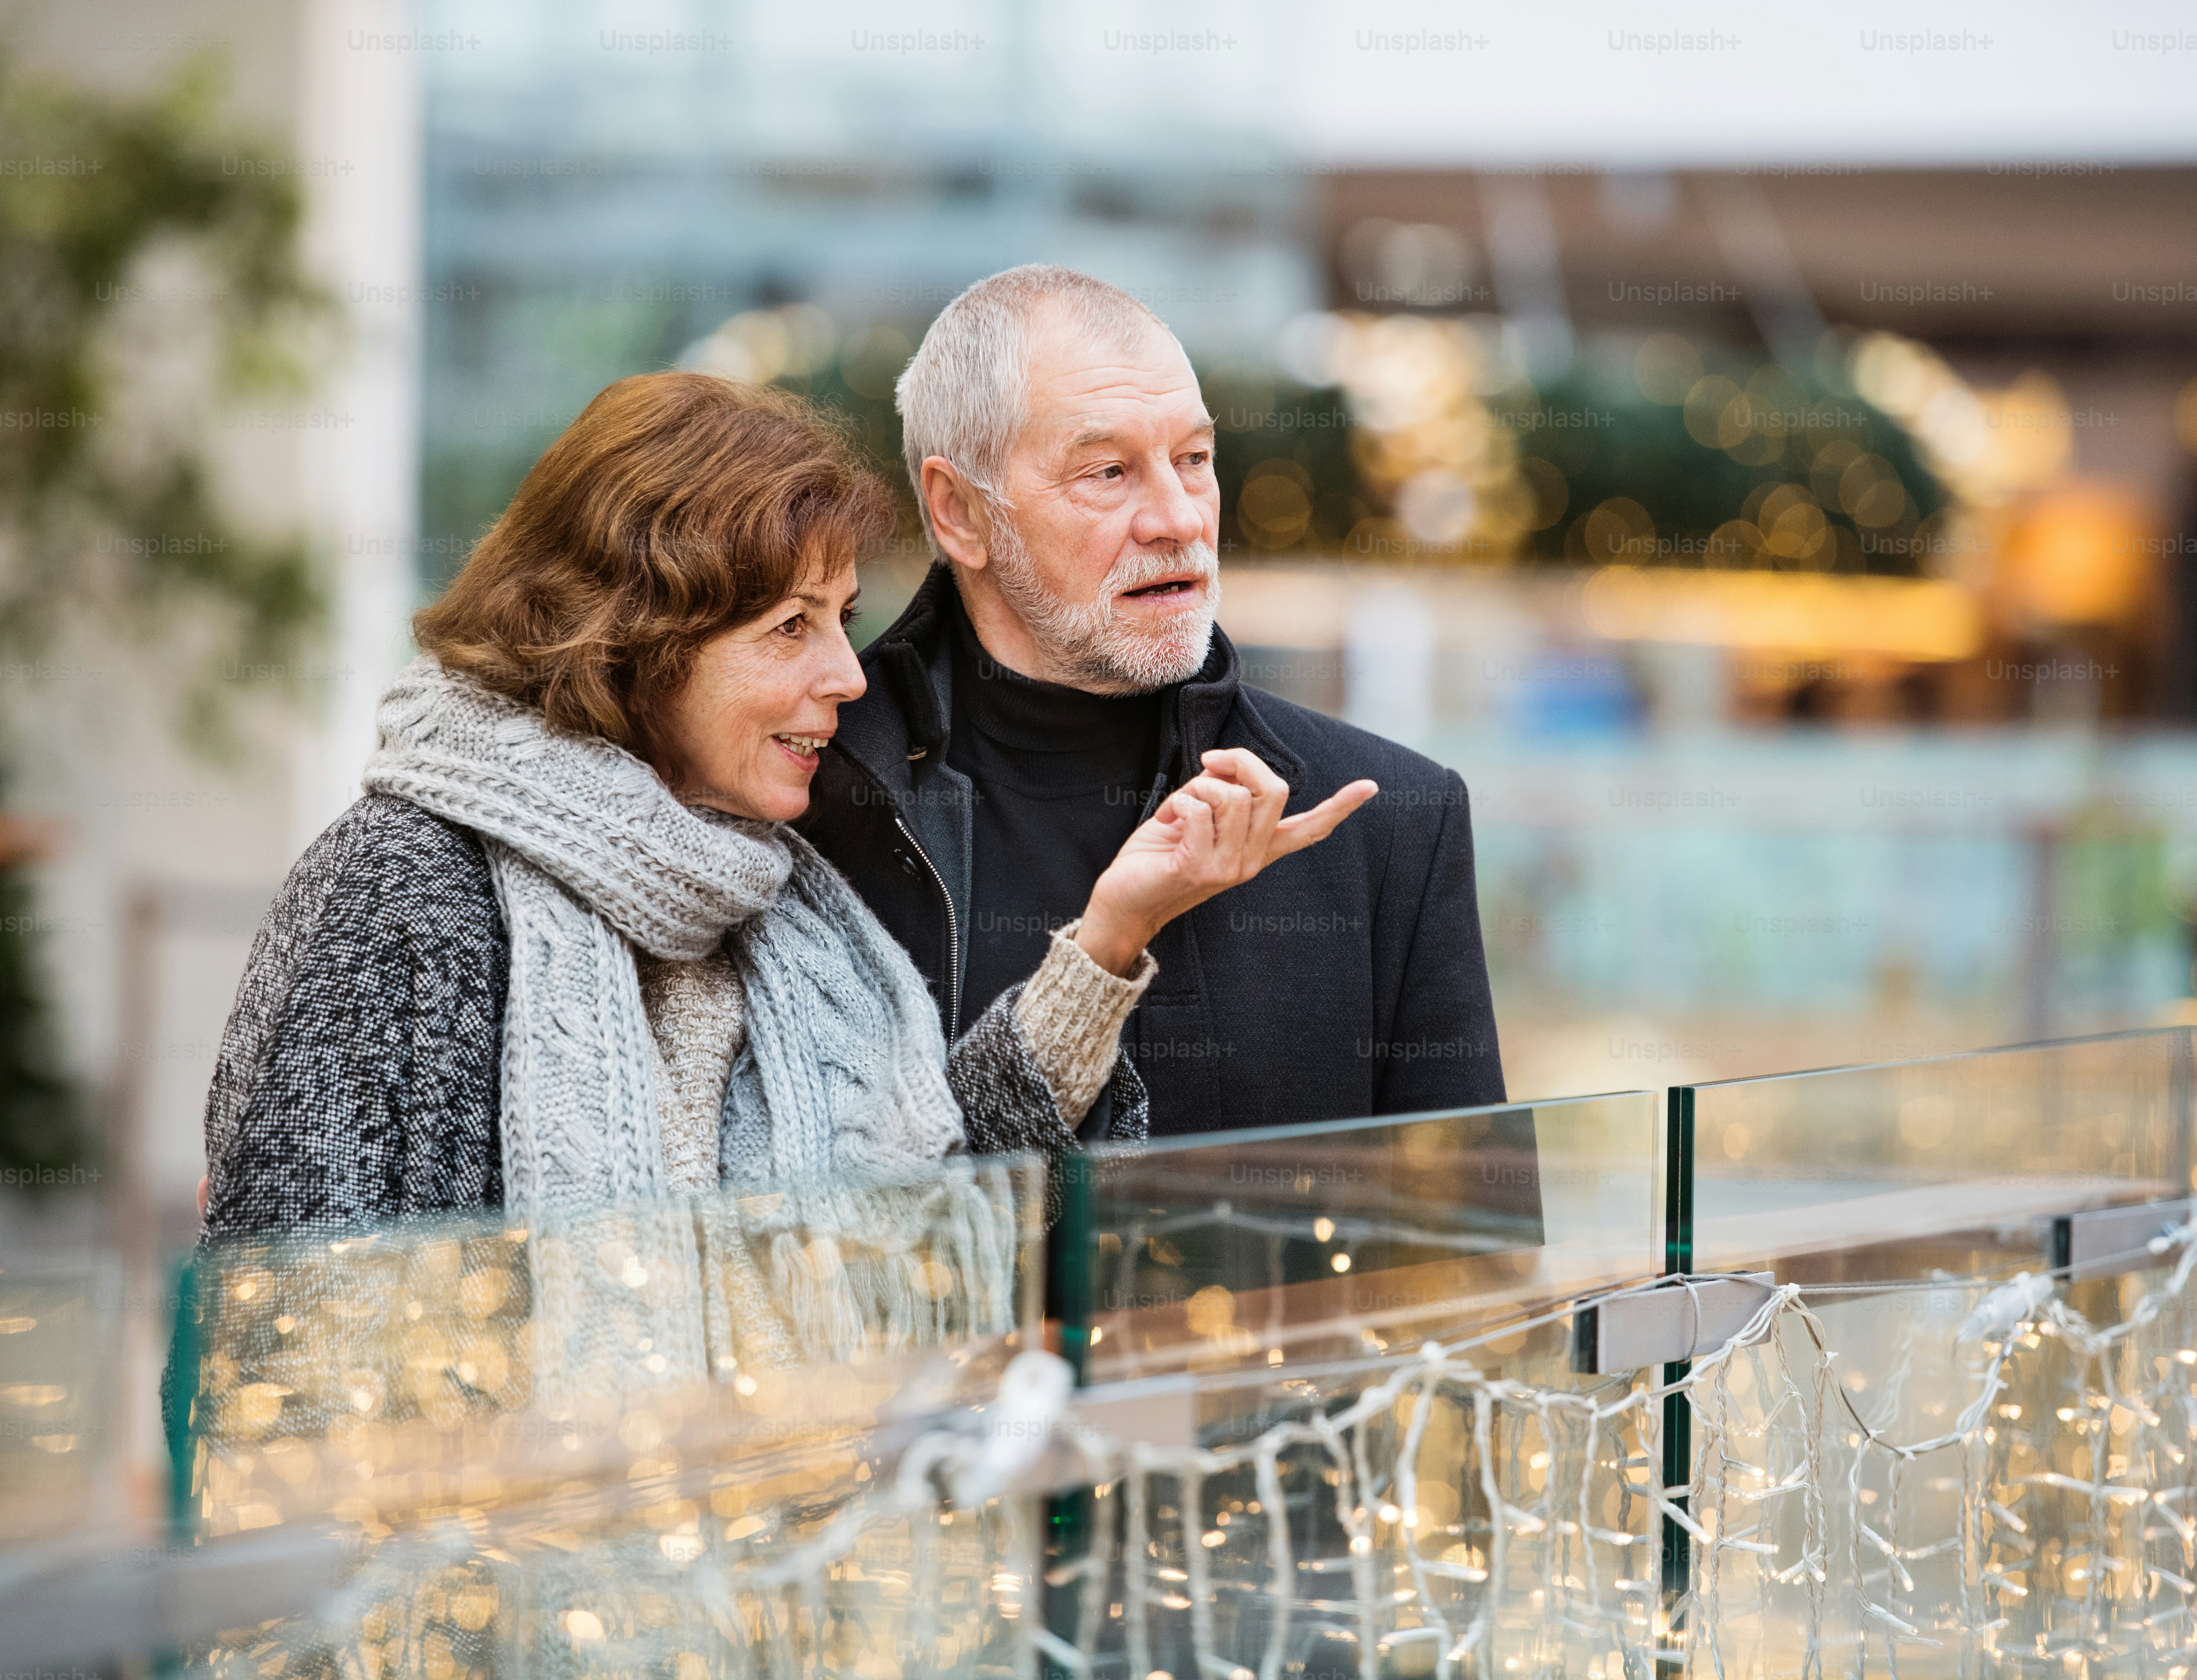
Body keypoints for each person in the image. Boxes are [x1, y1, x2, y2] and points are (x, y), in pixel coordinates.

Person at [199, 371, 1373, 1244]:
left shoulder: (757, 881)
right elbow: (297, 1337)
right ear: (635, 643)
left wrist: (1115, 930)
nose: (849, 678)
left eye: (842, 619)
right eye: (789, 629)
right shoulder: (404, 888)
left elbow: (911, 1208)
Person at [801, 266, 1507, 1136]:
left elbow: (1467, 1251)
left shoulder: (1389, 818)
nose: (1177, 518)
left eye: (1194, 460)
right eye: (1108, 471)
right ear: (959, 513)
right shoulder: (802, 798)